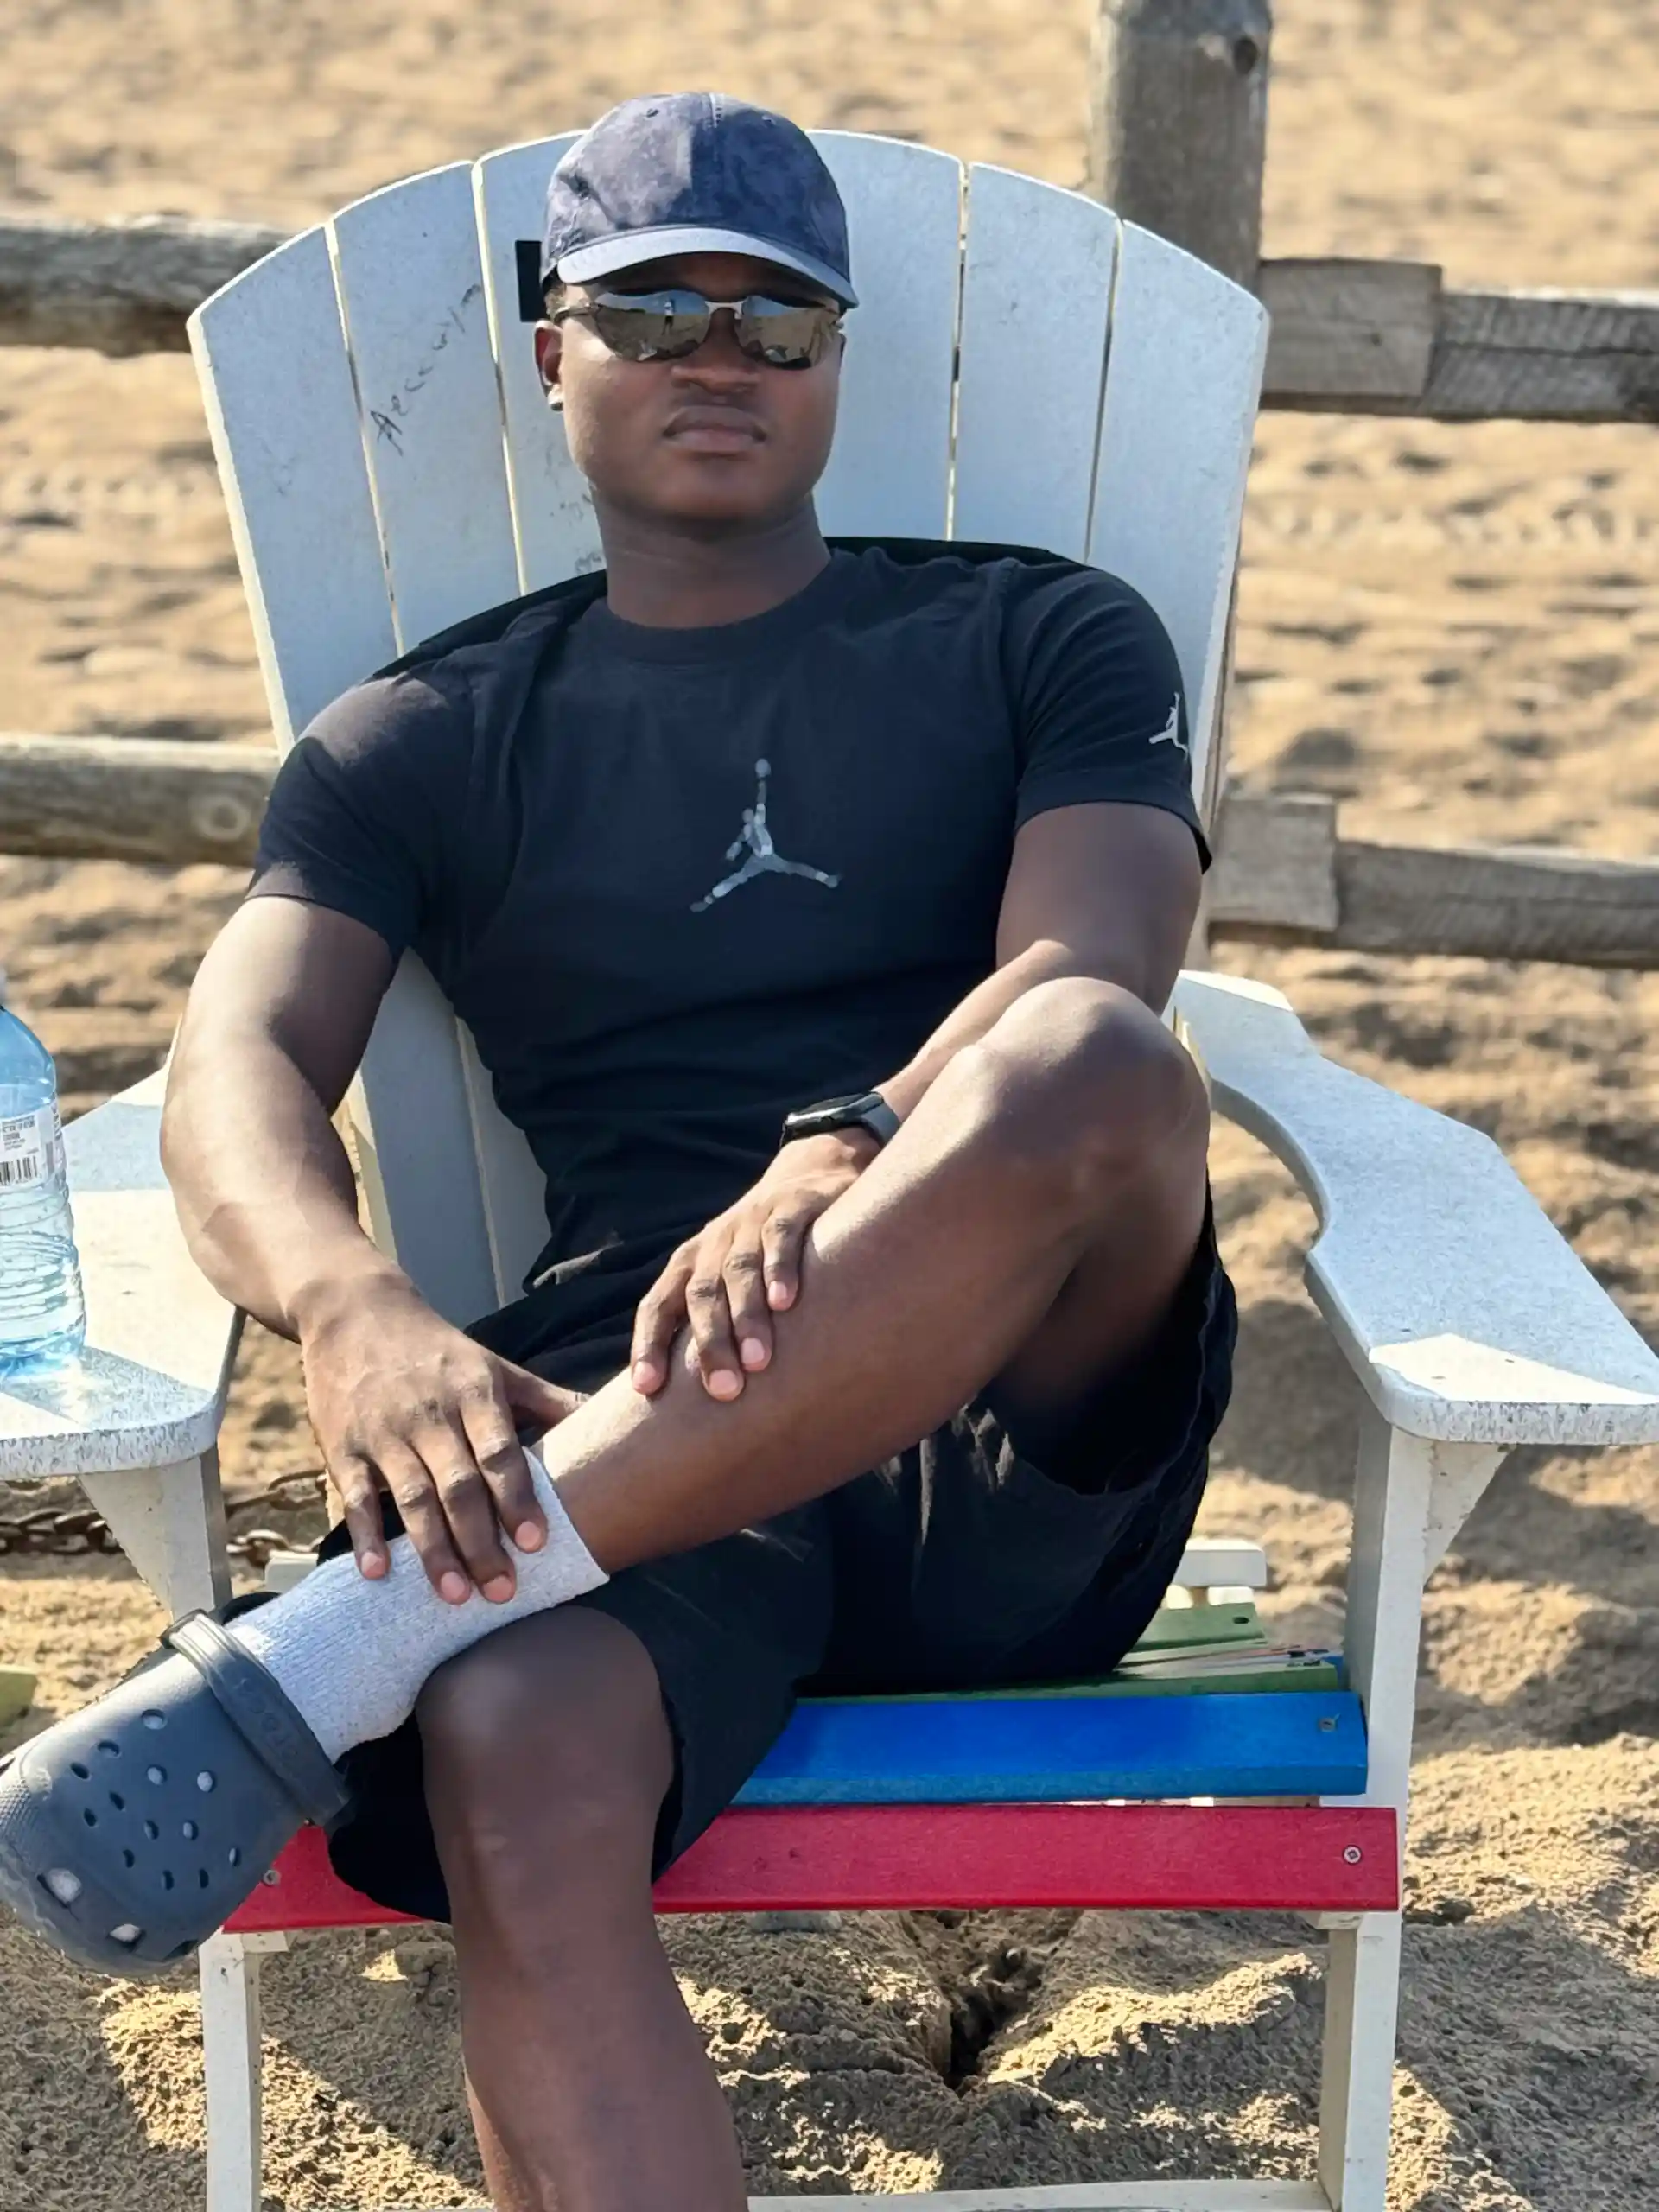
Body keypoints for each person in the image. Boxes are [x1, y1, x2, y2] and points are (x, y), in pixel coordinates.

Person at [14, 93, 1236, 2212]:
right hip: (623, 1405)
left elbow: (1097, 953)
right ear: (552, 348)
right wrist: (351, 1302)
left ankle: (339, 1645)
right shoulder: (420, 738)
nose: (720, 358)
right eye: (659, 310)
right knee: (510, 1734)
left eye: (780, 319)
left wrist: (847, 1148)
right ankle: (423, 1629)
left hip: (997, 1437)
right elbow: (234, 1060)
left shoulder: (1040, 632)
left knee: (1096, 1059)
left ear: (840, 358)